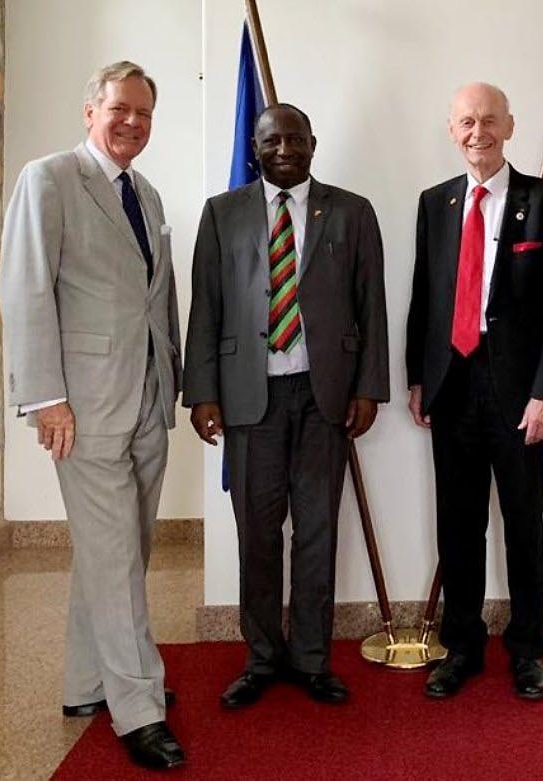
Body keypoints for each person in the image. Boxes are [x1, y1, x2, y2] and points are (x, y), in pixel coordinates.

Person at [0, 61, 185, 769]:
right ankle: (139, 707)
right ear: (90, 111)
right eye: (120, 109)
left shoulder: (149, 193)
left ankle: (85, 682)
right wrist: (44, 395)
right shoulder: (48, 180)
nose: (132, 121)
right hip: (81, 404)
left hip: (145, 397)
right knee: (114, 557)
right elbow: (24, 290)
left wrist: (174, 381)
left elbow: (157, 297)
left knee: (122, 551)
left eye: (143, 111)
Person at [184, 104, 389, 710]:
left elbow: (369, 304)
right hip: (251, 400)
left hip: (323, 396)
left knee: (318, 532)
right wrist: (202, 393)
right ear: (255, 146)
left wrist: (367, 388)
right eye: (272, 140)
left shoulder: (351, 211)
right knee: (258, 533)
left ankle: (312, 659)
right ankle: (262, 656)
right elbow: (206, 307)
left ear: (312, 144)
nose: (284, 149)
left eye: (295, 139)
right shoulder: (223, 214)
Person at [405, 82, 543, 700]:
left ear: (510, 127)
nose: (476, 132)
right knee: (457, 526)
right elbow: (425, 296)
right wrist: (418, 378)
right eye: (465, 123)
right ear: (451, 131)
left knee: (522, 524)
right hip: (452, 387)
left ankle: (529, 648)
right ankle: (462, 646)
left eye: (488, 121)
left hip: (522, 396)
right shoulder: (435, 203)